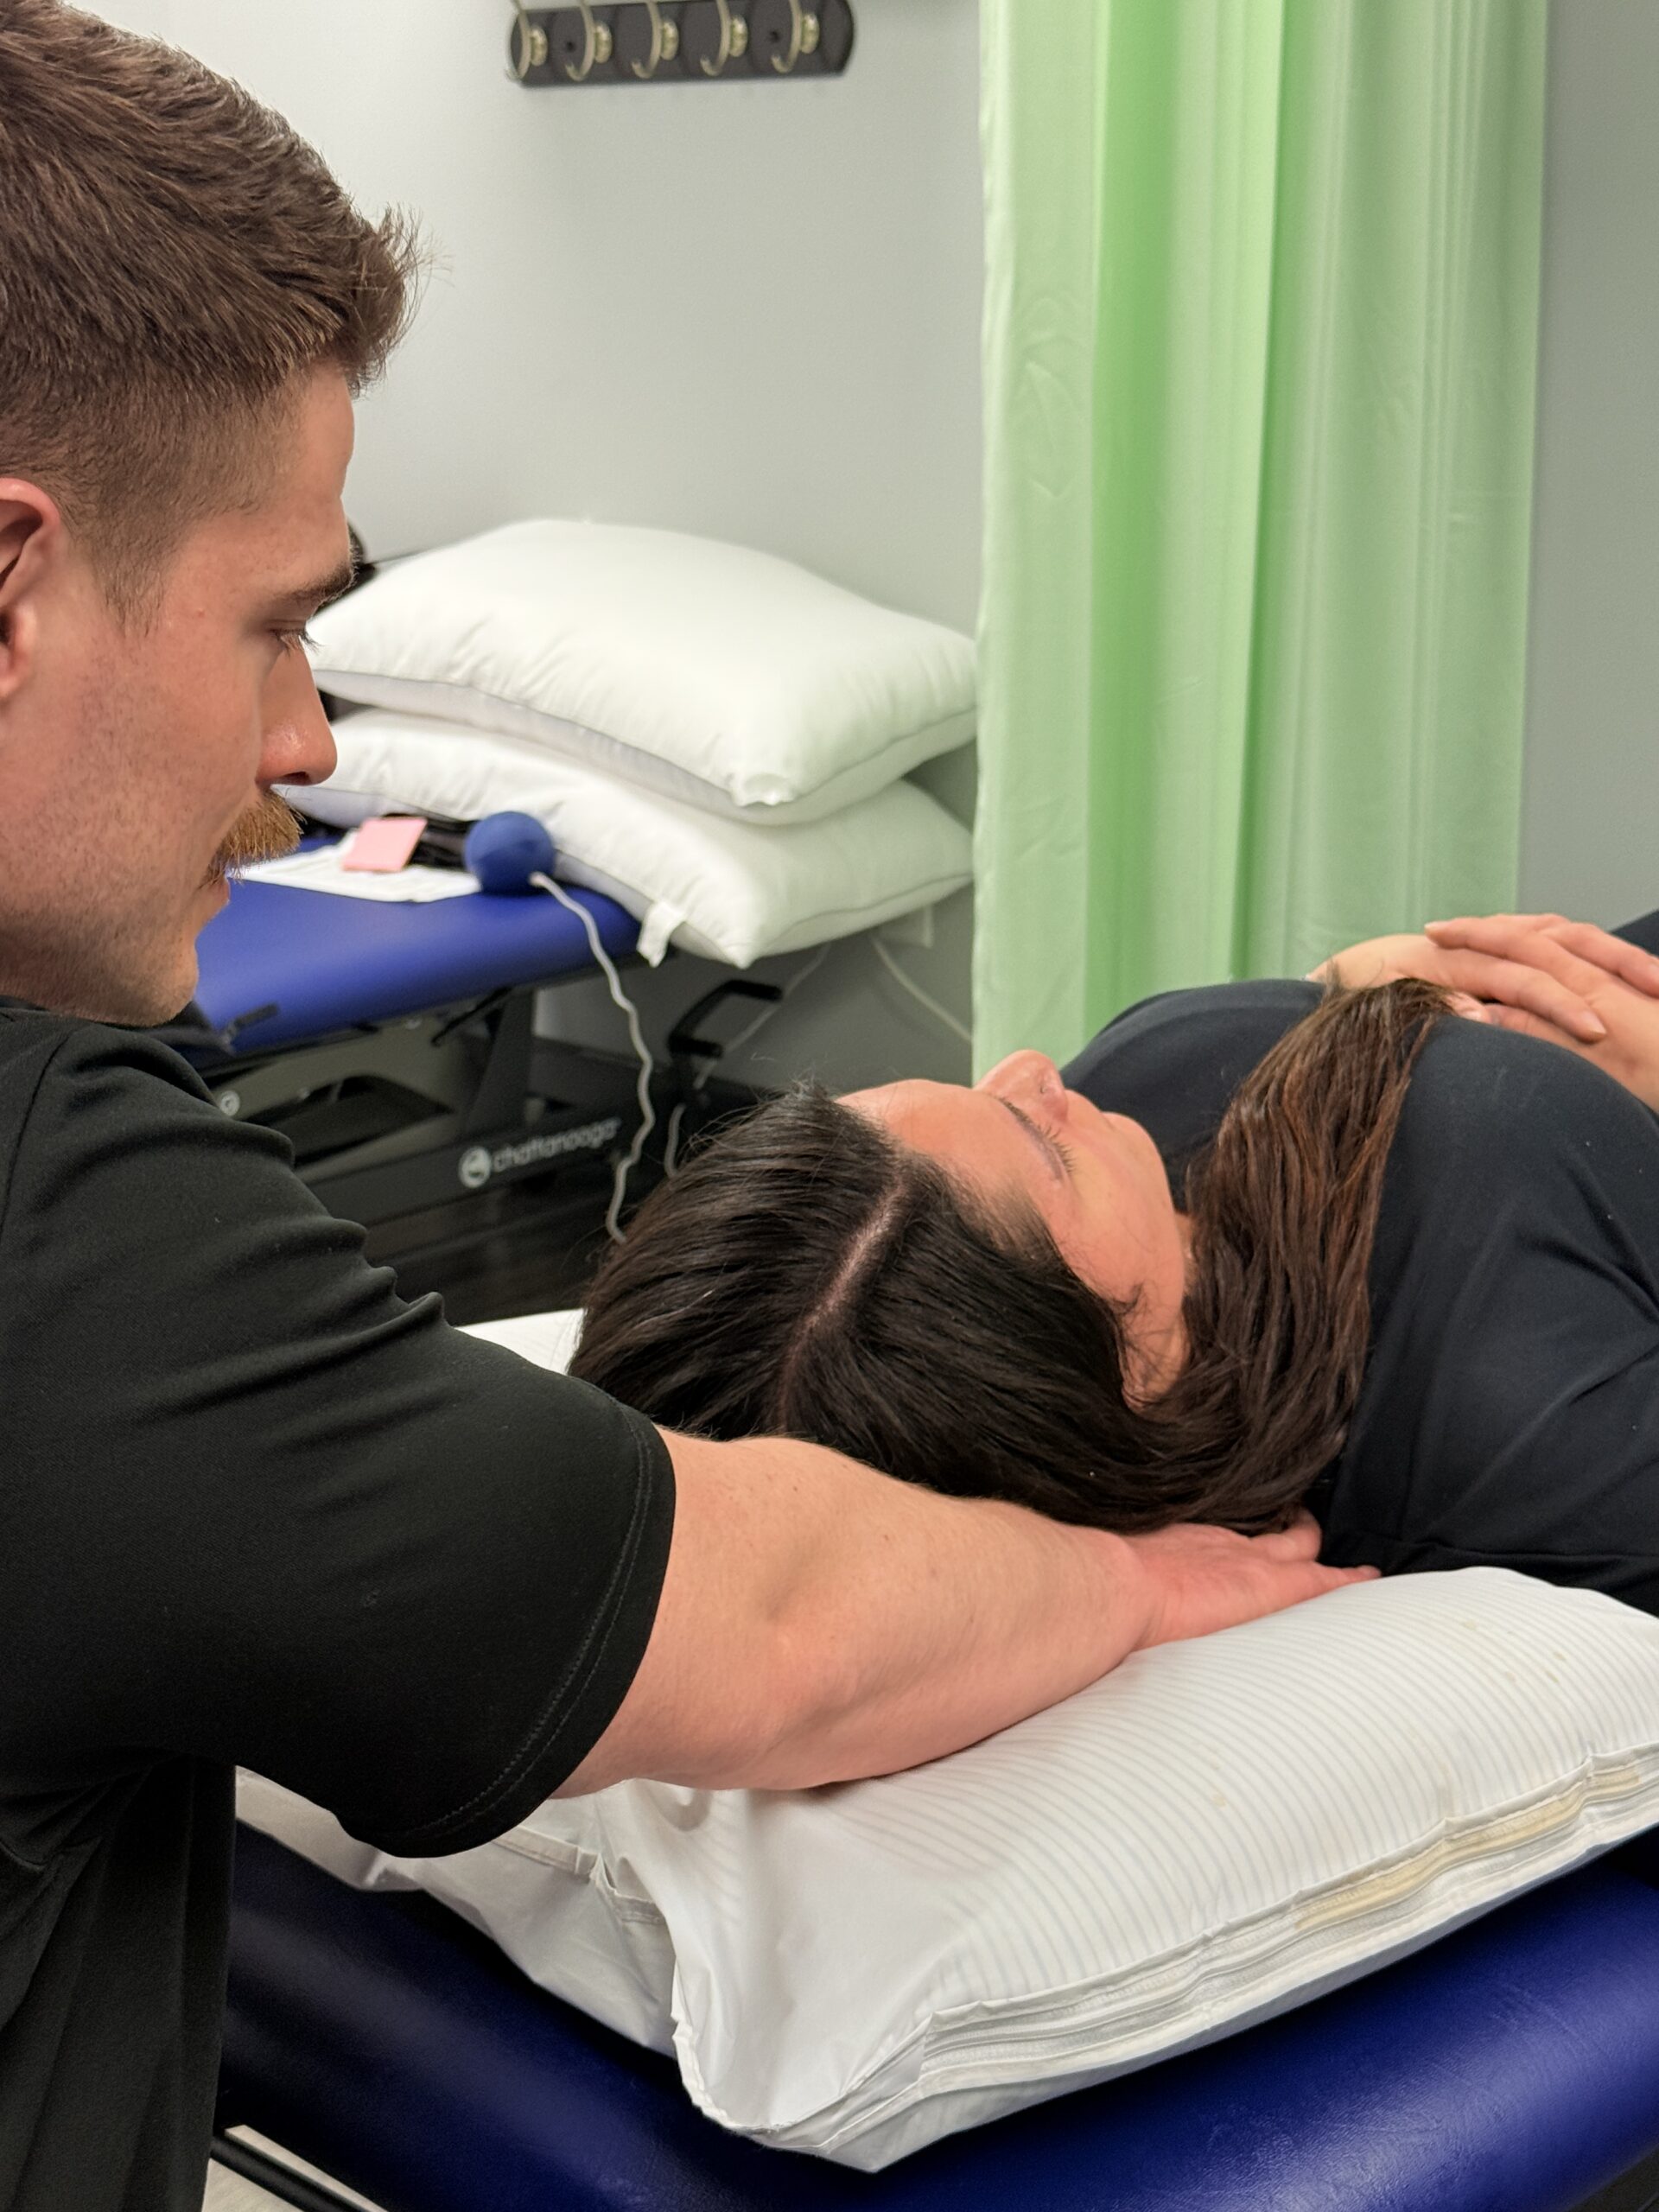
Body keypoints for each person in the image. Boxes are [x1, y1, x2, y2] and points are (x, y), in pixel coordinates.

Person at [0, 10, 1370, 2205]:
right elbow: (783, 1628)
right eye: (275, 629)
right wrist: (1139, 1584)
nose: (310, 743)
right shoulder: (71, 1245)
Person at [573, 909, 1659, 1615]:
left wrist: (1361, 987)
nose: (1037, 1069)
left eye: (973, 1092)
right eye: (1038, 1145)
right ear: (1125, 1369)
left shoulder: (1126, 1110)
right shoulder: (1516, 1440)